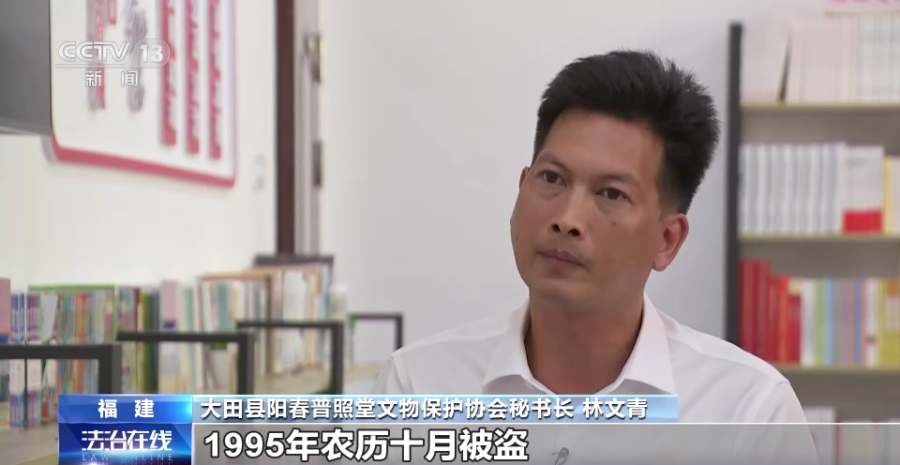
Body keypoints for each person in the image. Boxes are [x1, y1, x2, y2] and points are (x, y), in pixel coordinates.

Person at [371, 50, 820, 464]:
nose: (567, 219)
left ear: (667, 239)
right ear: (522, 188)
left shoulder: (747, 411)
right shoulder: (416, 386)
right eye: (552, 178)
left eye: (611, 194)